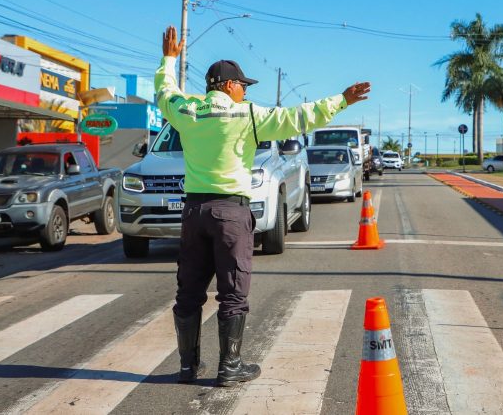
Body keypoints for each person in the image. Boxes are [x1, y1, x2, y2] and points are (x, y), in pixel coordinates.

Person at [155, 26, 369, 386]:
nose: (245, 90)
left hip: (194, 213)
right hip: (231, 215)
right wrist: (341, 100)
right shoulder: (248, 115)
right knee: (232, 293)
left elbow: (165, 93)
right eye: (242, 85)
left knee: (188, 292)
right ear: (227, 86)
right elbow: (301, 117)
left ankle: (188, 367)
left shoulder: (187, 112)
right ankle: (230, 367)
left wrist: (168, 59)